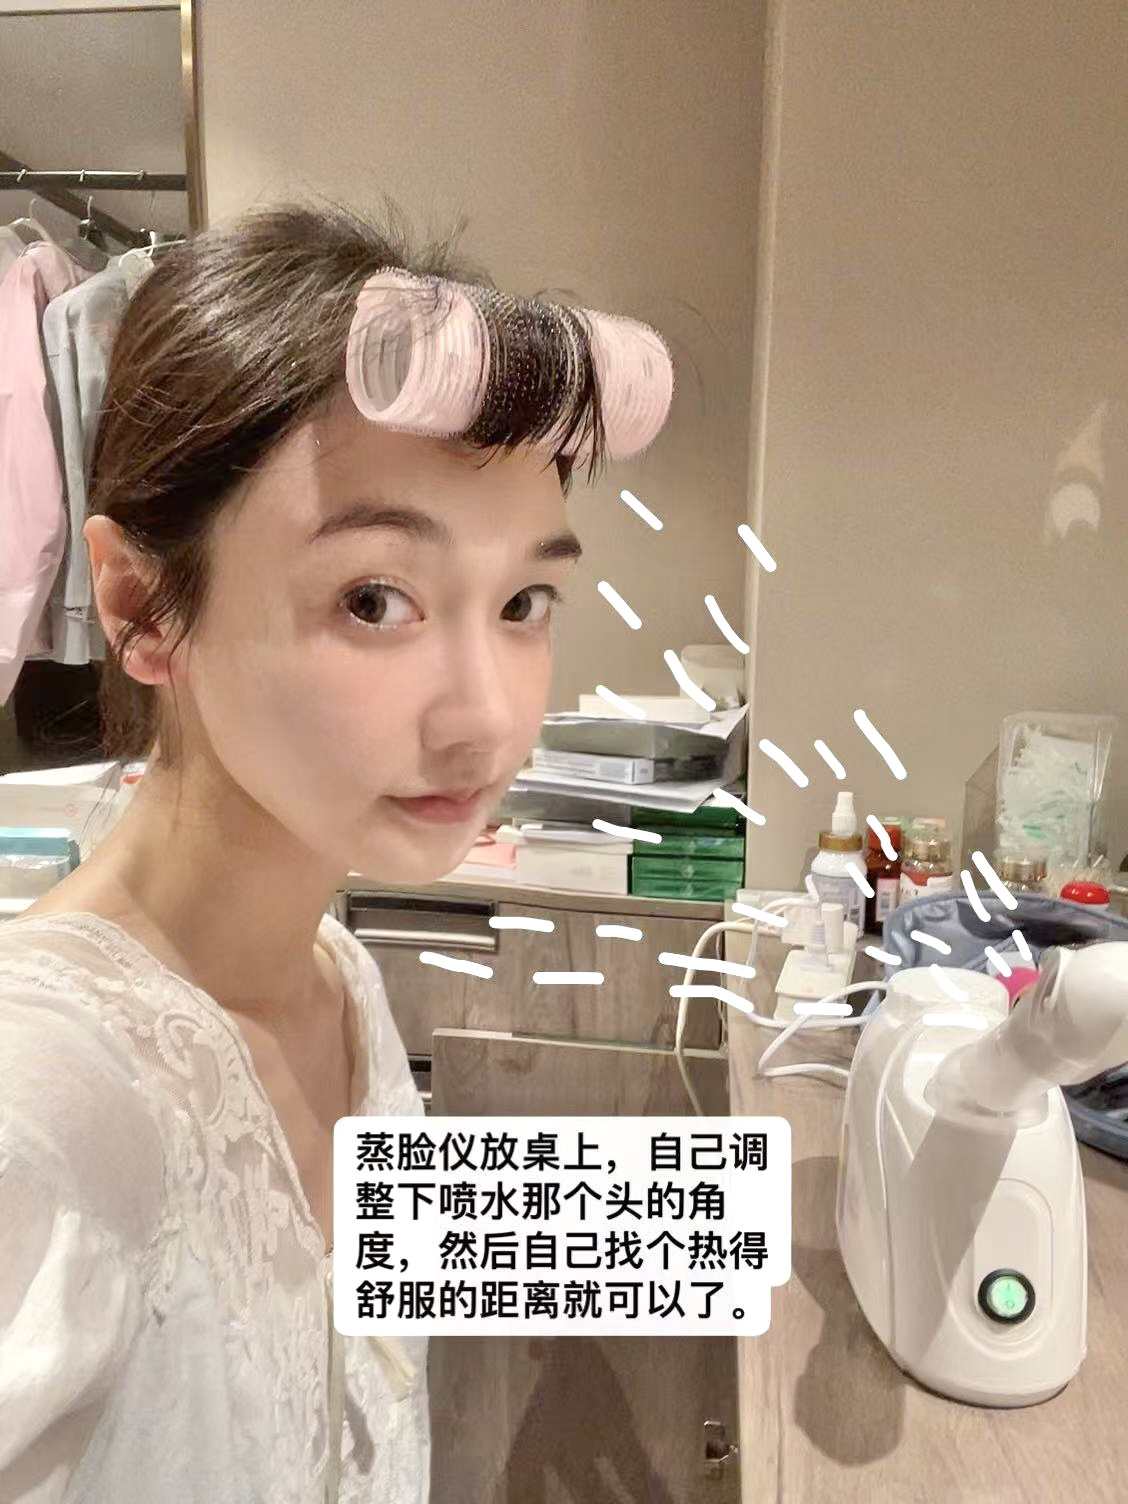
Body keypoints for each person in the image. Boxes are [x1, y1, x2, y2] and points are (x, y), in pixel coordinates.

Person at [0, 201, 669, 1502]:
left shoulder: (337, 980)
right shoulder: (46, 1115)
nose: (488, 717)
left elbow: (333, 1335)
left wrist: (723, 1228)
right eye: (377, 600)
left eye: (525, 601)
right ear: (139, 605)